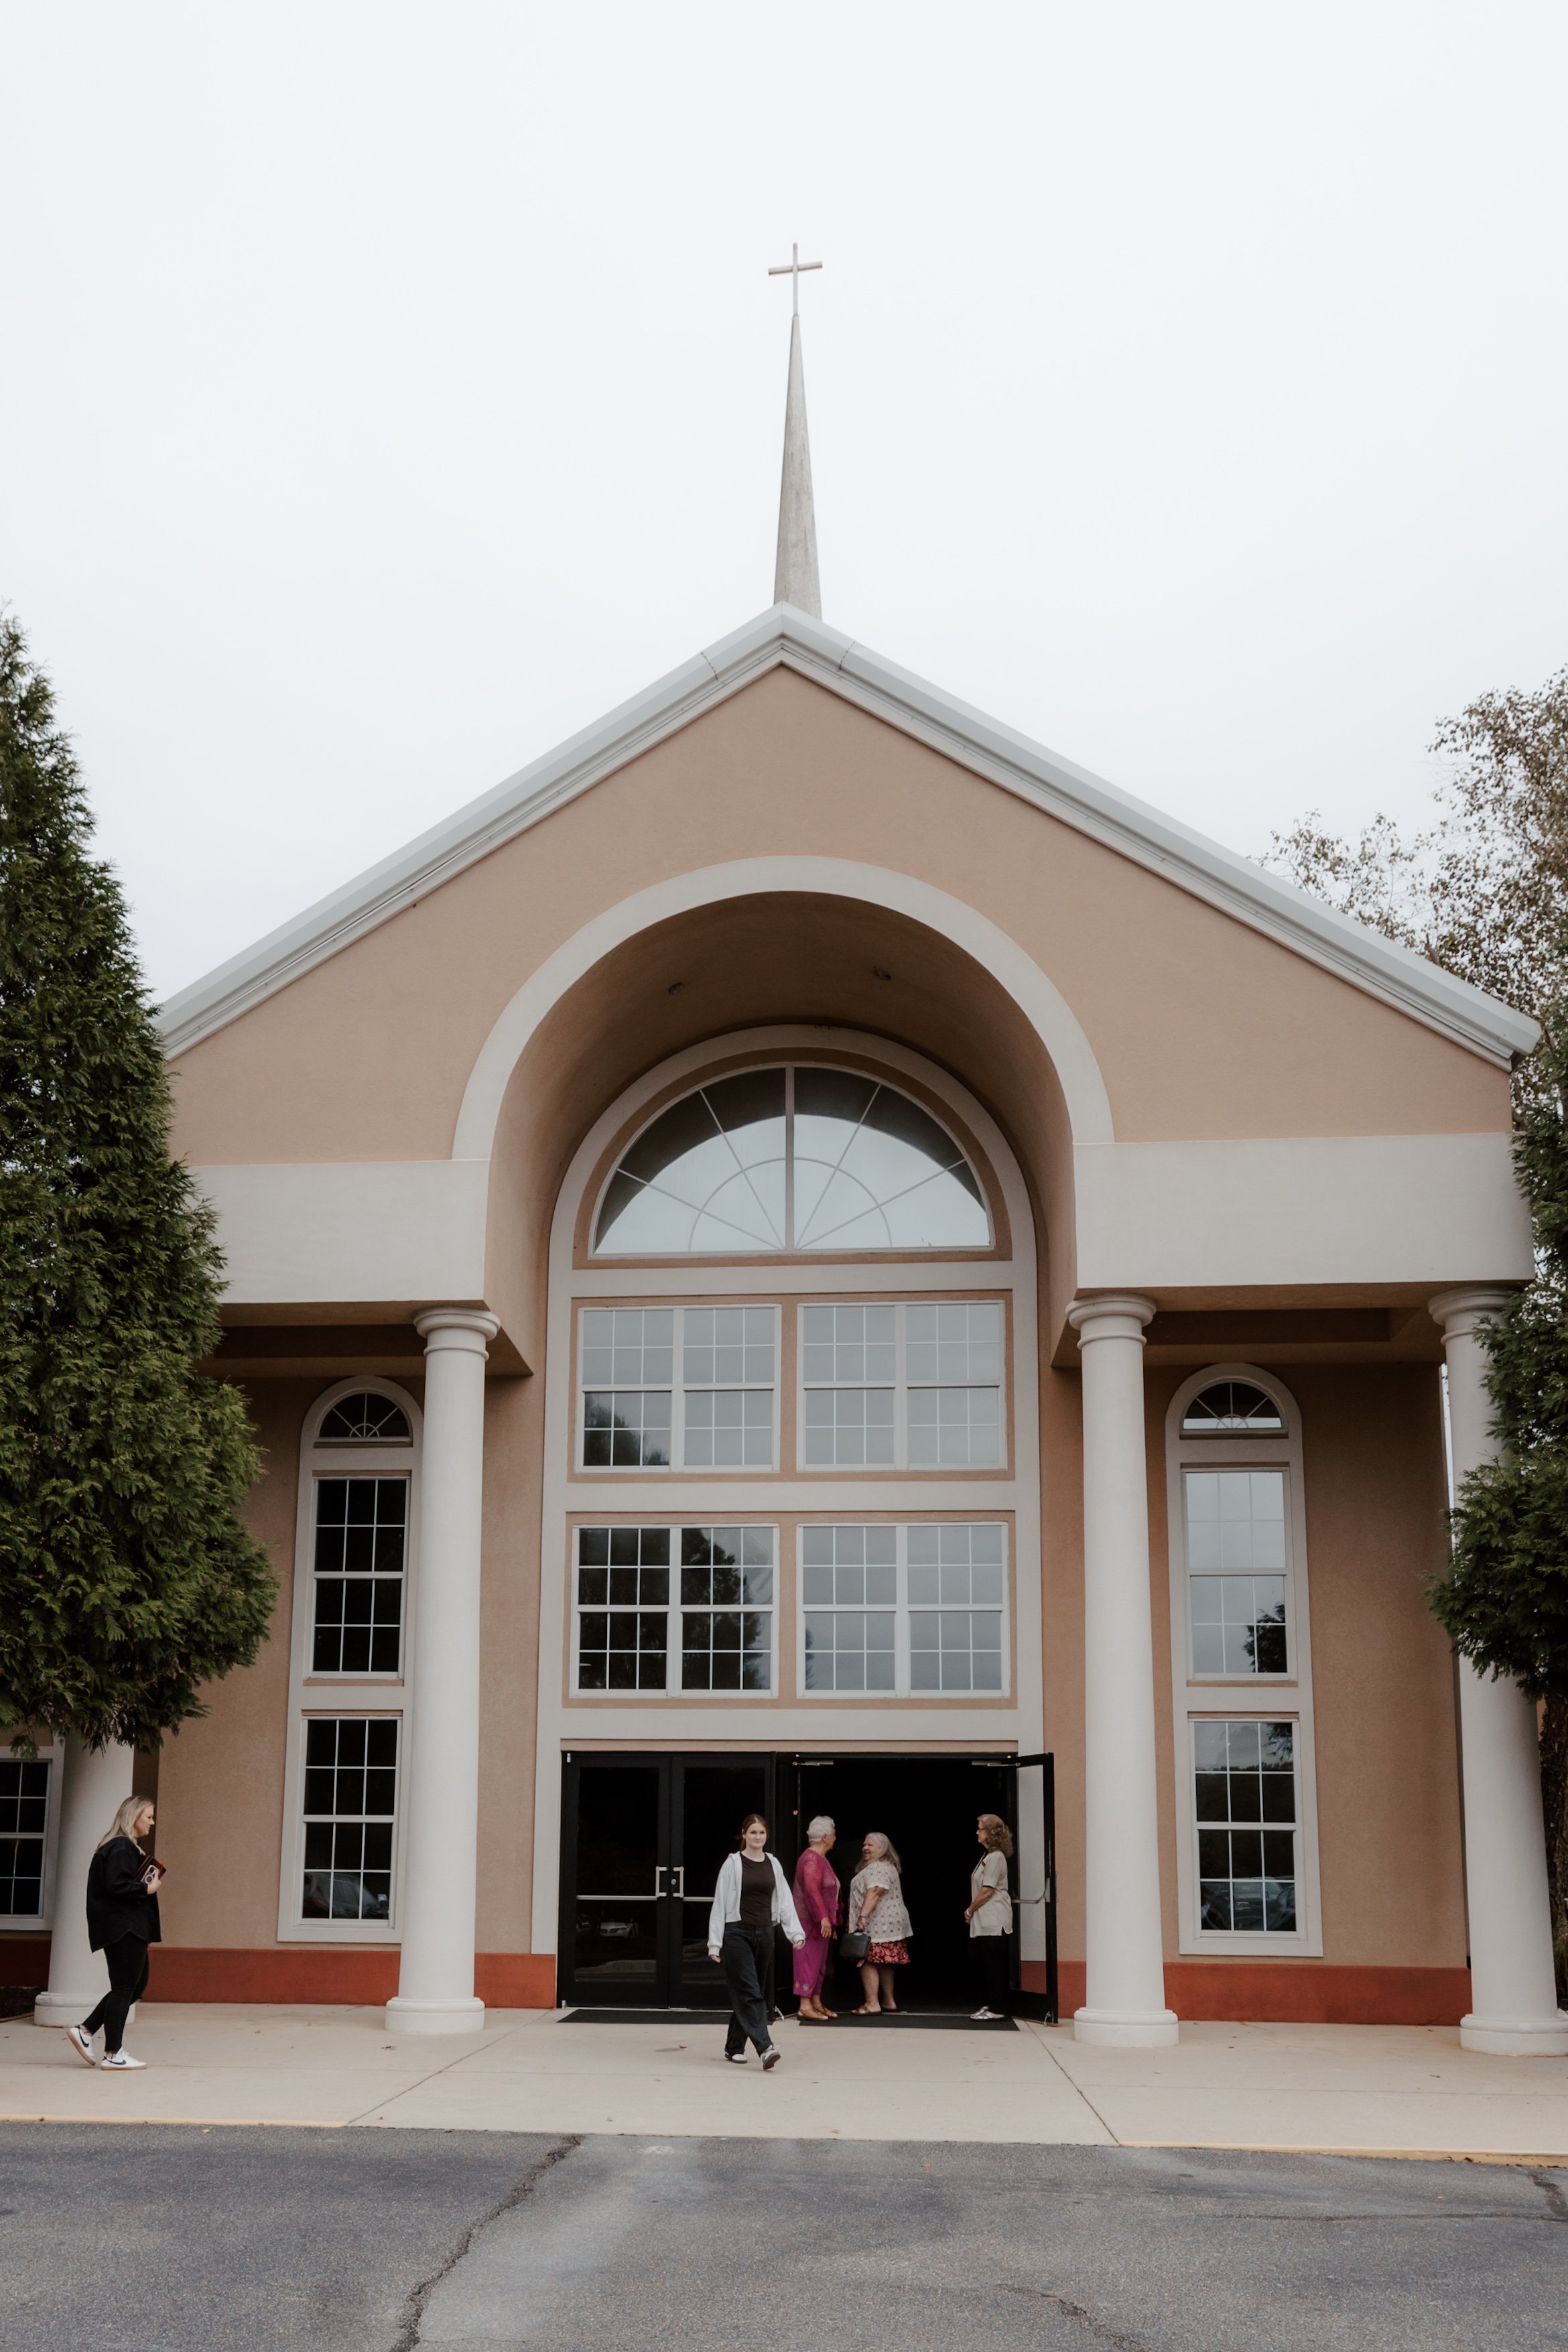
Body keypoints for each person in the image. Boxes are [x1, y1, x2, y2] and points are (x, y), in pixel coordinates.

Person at [64, 1796, 165, 2071]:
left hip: (127, 1926)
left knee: (135, 1986)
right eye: (148, 1817)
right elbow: (117, 1885)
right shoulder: (121, 1847)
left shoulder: (123, 1847)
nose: (152, 1822)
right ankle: (113, 2053)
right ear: (133, 1817)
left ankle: (85, 2031)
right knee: (124, 1988)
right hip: (124, 1927)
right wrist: (147, 1889)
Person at [707, 1813, 805, 2068]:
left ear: (766, 1835)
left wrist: (795, 1933)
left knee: (752, 1992)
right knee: (750, 1991)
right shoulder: (733, 1863)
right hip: (736, 1933)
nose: (757, 1837)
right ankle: (765, 2047)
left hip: (764, 1933)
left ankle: (734, 2047)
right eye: (753, 1832)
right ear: (744, 1835)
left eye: (761, 1832)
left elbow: (785, 1900)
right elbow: (719, 1903)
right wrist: (715, 1943)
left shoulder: (773, 1863)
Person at [846, 1830, 911, 2014]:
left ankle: (872, 2003)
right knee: (883, 1963)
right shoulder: (885, 1866)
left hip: (877, 1924)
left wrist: (862, 1915)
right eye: (864, 1844)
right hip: (887, 1924)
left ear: (882, 1848)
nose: (865, 1848)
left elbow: (875, 1891)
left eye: (870, 1845)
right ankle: (889, 2002)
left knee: (867, 1960)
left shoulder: (879, 1867)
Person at [966, 1811, 1015, 2020]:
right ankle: (991, 2004)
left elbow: (987, 1890)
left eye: (981, 1829)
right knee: (986, 1964)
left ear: (992, 1833)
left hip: (994, 1920)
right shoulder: (988, 1856)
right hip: (985, 1920)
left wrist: (970, 1910)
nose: (977, 1833)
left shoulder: (996, 1857)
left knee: (994, 1965)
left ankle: (998, 2009)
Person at [791, 1816, 840, 2021]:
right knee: (808, 1961)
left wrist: (829, 1919)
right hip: (810, 1922)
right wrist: (823, 1917)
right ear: (826, 1837)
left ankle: (817, 2003)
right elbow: (811, 1890)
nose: (835, 1838)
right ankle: (805, 2006)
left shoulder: (821, 1858)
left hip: (820, 1922)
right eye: (834, 1834)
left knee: (819, 1963)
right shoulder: (811, 1859)